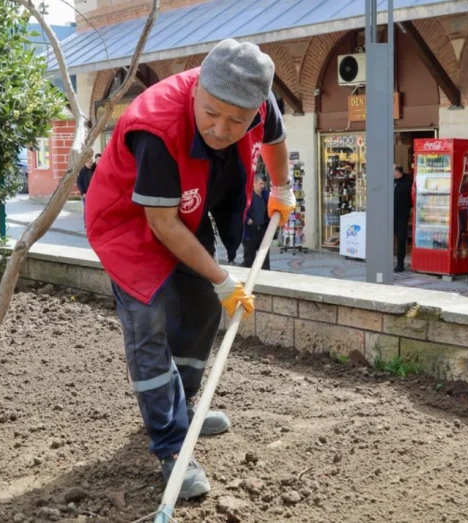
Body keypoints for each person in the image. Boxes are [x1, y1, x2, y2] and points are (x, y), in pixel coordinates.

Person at [83, 38, 296, 499]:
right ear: (197, 87)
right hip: (128, 224)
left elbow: (275, 139)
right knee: (151, 321)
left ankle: (184, 408)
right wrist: (222, 277)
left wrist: (282, 187)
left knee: (201, 309)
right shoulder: (156, 125)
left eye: (237, 121)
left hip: (182, 214)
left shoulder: (254, 99)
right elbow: (158, 224)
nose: (221, 129)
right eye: (211, 113)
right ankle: (171, 443)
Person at [242, 176, 271, 270]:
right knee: (249, 256)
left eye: (263, 184)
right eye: (260, 183)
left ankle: (266, 276)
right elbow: (238, 211)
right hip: (250, 231)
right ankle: (246, 276)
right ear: (254, 183)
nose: (262, 186)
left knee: (264, 255)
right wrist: (246, 219)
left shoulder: (266, 195)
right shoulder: (247, 196)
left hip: (262, 229)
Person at [393, 165, 413, 272]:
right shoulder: (390, 181)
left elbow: (411, 200)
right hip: (388, 215)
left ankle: (400, 264)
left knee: (400, 240)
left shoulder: (407, 182)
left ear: (397, 171)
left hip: (401, 216)